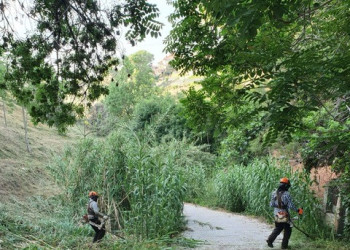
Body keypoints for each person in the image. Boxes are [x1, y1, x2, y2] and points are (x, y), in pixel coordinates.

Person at [266, 178, 303, 249]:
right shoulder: (287, 194)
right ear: (286, 186)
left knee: (278, 227)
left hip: (276, 213)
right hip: (283, 214)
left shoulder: (274, 192)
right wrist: (298, 210)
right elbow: (291, 206)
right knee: (288, 229)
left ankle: (270, 240)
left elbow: (271, 204)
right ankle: (284, 246)